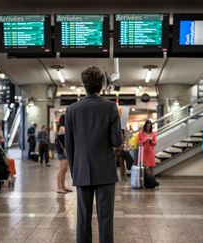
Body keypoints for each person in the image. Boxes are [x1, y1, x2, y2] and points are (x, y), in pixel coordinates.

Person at [65, 66, 123, 243]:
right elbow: (117, 141)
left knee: (83, 217)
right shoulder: (110, 107)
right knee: (105, 217)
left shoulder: (72, 110)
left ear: (84, 85)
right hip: (105, 169)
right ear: (102, 85)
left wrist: (75, 172)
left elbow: (69, 145)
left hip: (82, 169)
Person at [55, 114, 72, 194]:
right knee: (62, 170)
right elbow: (70, 134)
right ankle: (59, 187)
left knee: (64, 169)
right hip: (62, 151)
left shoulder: (63, 127)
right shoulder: (62, 128)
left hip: (64, 151)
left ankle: (63, 186)